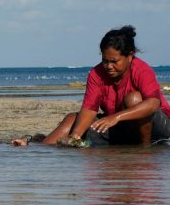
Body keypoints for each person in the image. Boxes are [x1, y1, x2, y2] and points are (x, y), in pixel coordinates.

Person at [12, 25, 170, 146]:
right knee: (73, 119)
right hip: (122, 129)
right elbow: (89, 109)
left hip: (156, 129)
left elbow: (153, 103)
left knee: (134, 99)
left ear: (129, 56)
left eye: (114, 61)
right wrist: (76, 136)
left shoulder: (141, 69)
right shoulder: (96, 74)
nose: (108, 66)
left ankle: (144, 149)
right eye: (105, 61)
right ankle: (37, 146)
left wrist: (116, 117)